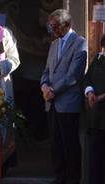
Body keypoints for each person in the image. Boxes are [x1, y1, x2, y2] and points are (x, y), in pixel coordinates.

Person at [40, 9, 87, 184]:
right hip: (51, 102)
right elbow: (46, 72)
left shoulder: (80, 43)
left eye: (55, 26)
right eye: (50, 26)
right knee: (56, 144)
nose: (52, 30)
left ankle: (73, 179)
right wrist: (44, 86)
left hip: (68, 103)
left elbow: (73, 75)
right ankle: (59, 177)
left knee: (70, 144)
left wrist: (52, 90)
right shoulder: (53, 45)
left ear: (67, 25)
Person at [83, 34, 105, 184]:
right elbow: (88, 78)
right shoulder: (98, 58)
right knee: (95, 157)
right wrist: (90, 92)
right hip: (96, 119)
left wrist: (100, 97)